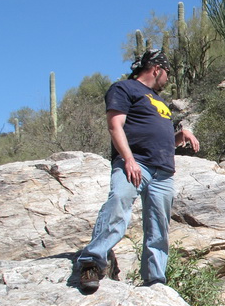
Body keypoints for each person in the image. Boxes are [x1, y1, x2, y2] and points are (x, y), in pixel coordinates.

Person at [76, 49, 199, 293]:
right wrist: (128, 159)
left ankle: (155, 279)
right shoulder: (124, 88)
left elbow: (161, 138)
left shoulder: (159, 101)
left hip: (162, 171)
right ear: (156, 69)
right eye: (167, 73)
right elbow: (115, 125)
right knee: (118, 203)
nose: (168, 79)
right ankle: (91, 262)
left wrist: (180, 135)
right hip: (135, 163)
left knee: (159, 226)